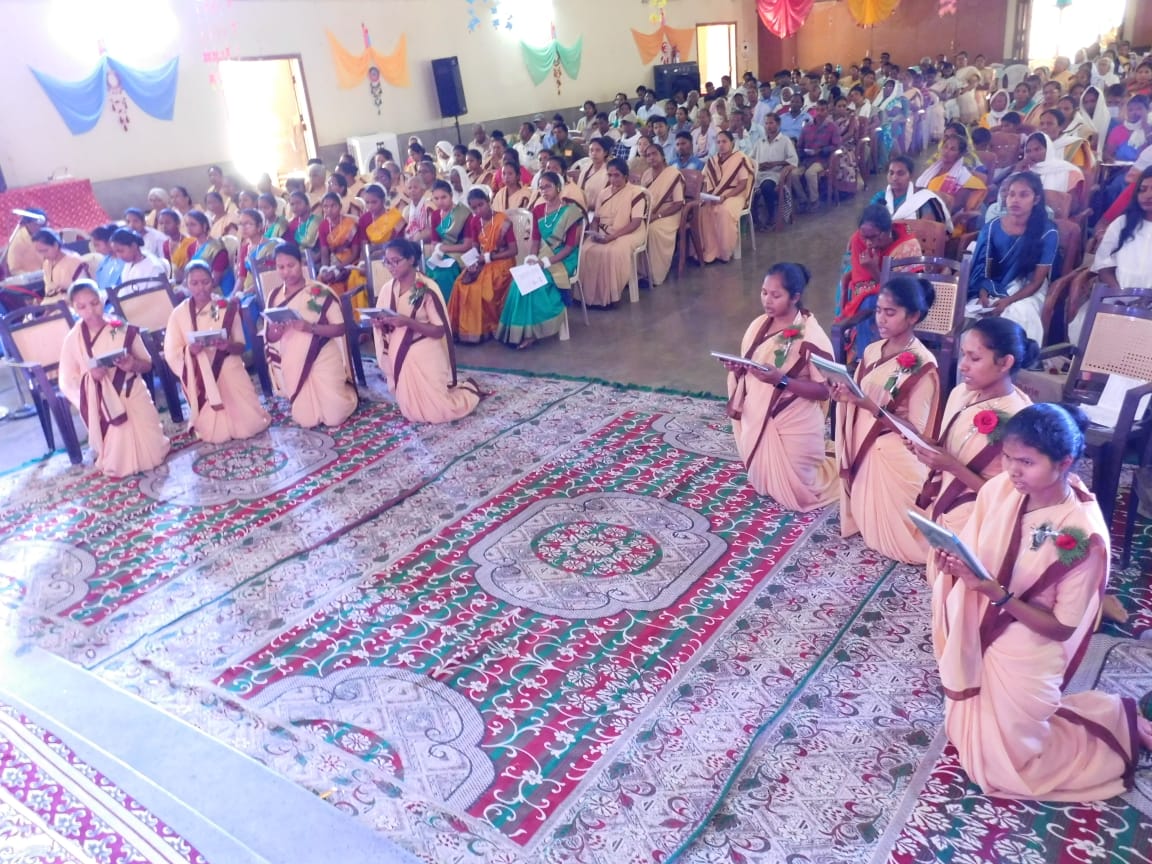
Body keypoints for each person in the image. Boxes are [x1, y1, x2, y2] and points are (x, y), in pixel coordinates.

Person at [932, 403, 1152, 800]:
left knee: (1011, 772)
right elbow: (979, 545)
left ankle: (1116, 729)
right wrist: (954, 565)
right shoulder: (1001, 489)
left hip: (1029, 643)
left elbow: (1062, 627)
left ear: (1064, 463)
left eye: (1027, 462)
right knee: (978, 749)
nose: (1013, 471)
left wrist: (997, 595)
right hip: (984, 615)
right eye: (1008, 458)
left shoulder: (1082, 535)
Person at [830, 275, 941, 564]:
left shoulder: (923, 365)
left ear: (913, 316)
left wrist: (871, 407)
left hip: (892, 450)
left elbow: (916, 432)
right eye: (879, 310)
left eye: (890, 312)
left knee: (917, 543)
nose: (881, 318)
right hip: (861, 438)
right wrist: (843, 395)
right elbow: (858, 396)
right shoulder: (871, 350)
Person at [721, 263, 837, 511]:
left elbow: (825, 391)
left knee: (801, 493)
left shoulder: (811, 336)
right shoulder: (758, 324)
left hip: (794, 420)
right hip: (758, 414)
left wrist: (782, 381)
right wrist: (736, 368)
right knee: (764, 482)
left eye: (776, 295)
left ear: (795, 297)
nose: (767, 300)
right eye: (764, 293)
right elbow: (750, 369)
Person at [912, 318, 1035, 548]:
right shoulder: (961, 393)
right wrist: (927, 446)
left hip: (981, 517)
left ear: (1005, 362)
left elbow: (1013, 498)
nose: (962, 366)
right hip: (945, 502)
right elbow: (954, 445)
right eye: (963, 355)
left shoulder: (1018, 419)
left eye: (975, 358)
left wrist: (952, 466)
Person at [58, 279, 171, 477]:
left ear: (102, 299)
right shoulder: (73, 339)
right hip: (103, 403)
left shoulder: (121, 328)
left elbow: (147, 364)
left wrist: (132, 365)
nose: (91, 311)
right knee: (117, 465)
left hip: (133, 391)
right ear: (74, 309)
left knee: (154, 455)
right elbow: (67, 382)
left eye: (94, 303)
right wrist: (91, 378)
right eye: (82, 307)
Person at [371, 238, 481, 423]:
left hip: (425, 349)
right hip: (398, 353)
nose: (390, 267)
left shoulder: (427, 288)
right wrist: (379, 323)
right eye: (387, 262)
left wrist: (408, 322)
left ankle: (469, 392)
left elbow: (439, 330)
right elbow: (386, 326)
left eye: (395, 261)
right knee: (412, 413)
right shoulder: (387, 289)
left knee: (439, 412)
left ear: (411, 259)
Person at [163, 260, 270, 444]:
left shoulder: (226, 307)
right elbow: (172, 353)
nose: (200, 288)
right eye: (194, 283)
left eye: (205, 282)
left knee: (251, 427)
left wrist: (226, 346)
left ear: (212, 281)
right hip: (199, 371)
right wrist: (190, 351)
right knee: (215, 437)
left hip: (228, 362)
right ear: (186, 284)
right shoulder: (178, 314)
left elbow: (240, 346)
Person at [262, 243, 356, 429]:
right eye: (281, 267)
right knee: (306, 421)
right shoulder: (273, 296)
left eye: (291, 265)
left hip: (323, 356)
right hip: (293, 361)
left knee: (334, 417)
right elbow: (269, 337)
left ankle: (348, 393)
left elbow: (340, 329)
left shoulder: (321, 292)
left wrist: (309, 327)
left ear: (302, 263)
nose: (286, 272)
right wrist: (275, 332)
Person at [967, 172, 1059, 344]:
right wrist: (983, 293)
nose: (1015, 200)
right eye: (1011, 194)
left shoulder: (1048, 232)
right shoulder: (992, 227)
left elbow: (1036, 282)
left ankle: (1011, 359)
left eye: (1023, 195)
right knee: (970, 315)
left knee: (1017, 313)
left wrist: (1008, 301)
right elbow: (982, 270)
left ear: (1036, 199)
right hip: (993, 285)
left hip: (1027, 289)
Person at [497, 171, 580, 349]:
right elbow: (535, 240)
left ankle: (532, 334)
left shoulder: (571, 212)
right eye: (541, 188)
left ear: (558, 187)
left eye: (548, 187)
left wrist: (547, 263)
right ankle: (517, 332)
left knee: (537, 284)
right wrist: (532, 258)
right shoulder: (538, 210)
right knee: (519, 282)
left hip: (564, 259)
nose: (544, 191)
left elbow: (569, 247)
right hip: (542, 255)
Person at [835, 205, 923, 361]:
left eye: (873, 237)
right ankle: (865, 360)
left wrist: (874, 270)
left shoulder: (907, 246)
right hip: (870, 298)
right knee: (869, 302)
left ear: (887, 231)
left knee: (875, 303)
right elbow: (861, 285)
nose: (868, 243)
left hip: (903, 299)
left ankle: (880, 357)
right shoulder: (858, 240)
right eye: (864, 237)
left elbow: (905, 291)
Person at [445, 188, 515, 343]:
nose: (478, 210)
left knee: (479, 288)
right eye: (474, 208)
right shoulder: (475, 221)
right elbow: (475, 247)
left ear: (488, 201)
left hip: (502, 262)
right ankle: (462, 330)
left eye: (481, 205)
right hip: (482, 260)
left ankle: (485, 329)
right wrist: (472, 263)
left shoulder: (503, 221)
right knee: (460, 283)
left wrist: (490, 257)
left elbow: (513, 250)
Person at [579, 157, 646, 306]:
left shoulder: (636, 193)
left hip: (630, 232)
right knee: (585, 250)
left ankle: (611, 296)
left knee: (613, 251)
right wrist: (594, 232)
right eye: (609, 175)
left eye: (617, 175)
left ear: (625, 176)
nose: (613, 179)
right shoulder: (603, 193)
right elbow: (596, 219)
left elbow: (636, 223)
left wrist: (613, 236)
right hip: (604, 231)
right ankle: (589, 297)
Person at [698, 131, 753, 264]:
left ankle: (724, 252)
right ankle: (710, 251)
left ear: (732, 143)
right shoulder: (712, 161)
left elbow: (743, 184)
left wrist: (725, 196)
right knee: (703, 210)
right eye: (718, 142)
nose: (721, 145)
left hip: (735, 195)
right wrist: (707, 196)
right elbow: (704, 181)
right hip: (715, 195)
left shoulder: (740, 158)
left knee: (723, 210)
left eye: (724, 141)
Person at [915, 135, 987, 233]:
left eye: (952, 149)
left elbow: (954, 207)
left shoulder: (964, 179)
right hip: (922, 212)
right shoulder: (931, 171)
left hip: (947, 220)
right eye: (945, 147)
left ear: (960, 154)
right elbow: (917, 191)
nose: (946, 151)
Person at [638, 144, 684, 286]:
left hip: (670, 213)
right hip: (649, 212)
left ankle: (655, 274)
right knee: (636, 228)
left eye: (654, 154)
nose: (651, 158)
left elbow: (678, 203)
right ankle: (640, 272)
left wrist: (657, 216)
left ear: (662, 156)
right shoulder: (646, 174)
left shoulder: (673, 174)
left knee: (653, 230)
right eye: (648, 155)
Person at [423, 179, 473, 305]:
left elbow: (467, 245)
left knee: (443, 275)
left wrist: (444, 249)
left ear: (451, 195)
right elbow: (435, 242)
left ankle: (449, 307)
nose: (440, 202)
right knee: (425, 270)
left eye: (443, 197)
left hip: (461, 254)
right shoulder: (435, 215)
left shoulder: (464, 214)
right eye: (436, 198)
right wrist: (440, 250)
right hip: (441, 254)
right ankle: (432, 308)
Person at [870, 155, 951, 227]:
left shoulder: (923, 199)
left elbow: (928, 229)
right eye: (891, 173)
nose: (894, 178)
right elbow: (870, 223)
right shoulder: (880, 198)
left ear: (911, 175)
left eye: (900, 173)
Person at [753, 113, 798, 230]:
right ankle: (755, 219)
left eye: (771, 123)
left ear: (778, 124)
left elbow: (793, 160)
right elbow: (751, 159)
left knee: (767, 186)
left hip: (776, 174)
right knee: (748, 188)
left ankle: (771, 216)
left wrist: (776, 163)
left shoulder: (785, 141)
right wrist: (759, 165)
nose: (768, 126)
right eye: (766, 123)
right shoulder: (760, 141)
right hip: (759, 173)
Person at [316, 192, 364, 299]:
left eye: (333, 206)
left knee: (349, 278)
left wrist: (338, 268)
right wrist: (325, 269)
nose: (329, 210)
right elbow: (324, 252)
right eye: (325, 206)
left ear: (340, 206)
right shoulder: (323, 226)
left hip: (350, 262)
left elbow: (355, 253)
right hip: (333, 263)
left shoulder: (351, 223)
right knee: (320, 281)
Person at [183, 211, 234, 294]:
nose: (189, 228)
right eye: (187, 225)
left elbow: (215, 280)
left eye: (193, 224)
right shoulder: (191, 247)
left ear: (204, 226)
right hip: (196, 287)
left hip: (218, 290)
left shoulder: (217, 248)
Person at [33, 228, 88, 303]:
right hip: (51, 305)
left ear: (55, 245)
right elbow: (48, 290)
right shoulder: (46, 263)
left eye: (45, 250)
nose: (42, 255)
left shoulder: (74, 261)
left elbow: (83, 290)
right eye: (39, 252)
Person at [236, 208, 278, 294]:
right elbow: (242, 277)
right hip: (249, 291)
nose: (243, 228)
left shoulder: (270, 247)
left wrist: (245, 293)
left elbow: (268, 277)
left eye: (248, 224)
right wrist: (233, 295)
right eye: (240, 224)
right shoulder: (245, 248)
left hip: (268, 290)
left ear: (259, 226)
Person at [358, 182, 405, 248]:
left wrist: (382, 251)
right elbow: (364, 245)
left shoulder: (395, 216)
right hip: (372, 252)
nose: (370, 206)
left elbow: (400, 243)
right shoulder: (364, 219)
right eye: (367, 202)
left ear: (383, 200)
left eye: (374, 202)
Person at [6, 208, 48, 275]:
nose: (43, 227)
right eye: (39, 224)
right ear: (28, 223)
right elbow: (14, 270)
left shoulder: (45, 234)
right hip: (31, 277)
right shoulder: (18, 242)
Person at [157, 208, 195, 282]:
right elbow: (169, 268)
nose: (164, 226)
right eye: (161, 223)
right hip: (175, 281)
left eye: (168, 223)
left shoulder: (191, 242)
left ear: (177, 223)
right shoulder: (166, 245)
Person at [577, 137, 612, 211]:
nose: (594, 153)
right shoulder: (586, 167)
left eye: (598, 150)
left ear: (605, 153)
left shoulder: (609, 172)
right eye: (591, 150)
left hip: (600, 210)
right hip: (581, 208)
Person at [88, 224, 124, 292]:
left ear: (110, 242)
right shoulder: (104, 262)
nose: (96, 250)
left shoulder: (124, 261)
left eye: (97, 245)